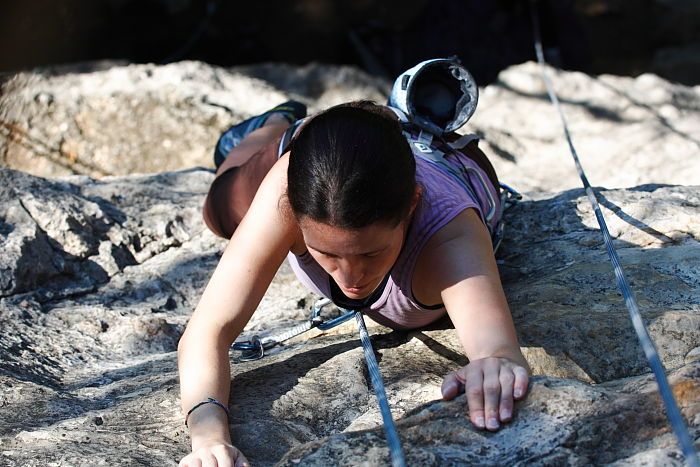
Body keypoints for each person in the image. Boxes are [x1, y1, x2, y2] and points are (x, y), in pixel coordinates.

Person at [178, 89, 530, 466]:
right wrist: (208, 437)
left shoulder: (448, 232)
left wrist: (494, 367)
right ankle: (277, 123)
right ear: (292, 212)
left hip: (443, 161)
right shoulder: (285, 189)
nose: (350, 277)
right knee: (219, 208)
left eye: (370, 252)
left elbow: (497, 352)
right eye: (327, 253)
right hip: (320, 154)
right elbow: (207, 331)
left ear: (413, 204)